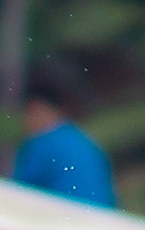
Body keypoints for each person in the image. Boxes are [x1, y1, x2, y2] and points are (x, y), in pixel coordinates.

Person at [9, 67, 117, 208]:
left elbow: (17, 194)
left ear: (37, 108)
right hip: (100, 219)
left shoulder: (41, 145)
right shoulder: (85, 142)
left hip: (64, 218)